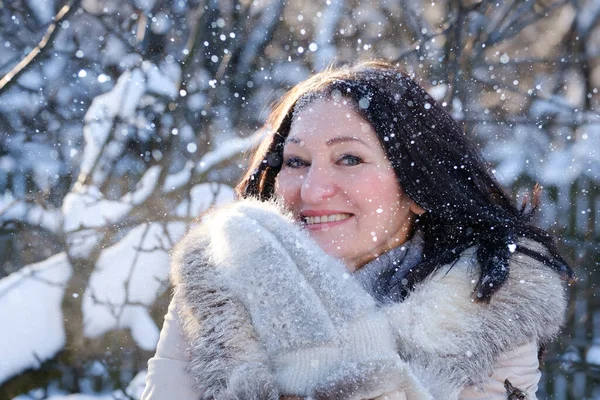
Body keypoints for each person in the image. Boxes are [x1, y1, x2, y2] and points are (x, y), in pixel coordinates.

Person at [142, 61, 573, 400]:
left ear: (417, 185)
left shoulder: (489, 300)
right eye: (295, 161)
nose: (312, 189)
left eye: (349, 159)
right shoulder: (221, 281)